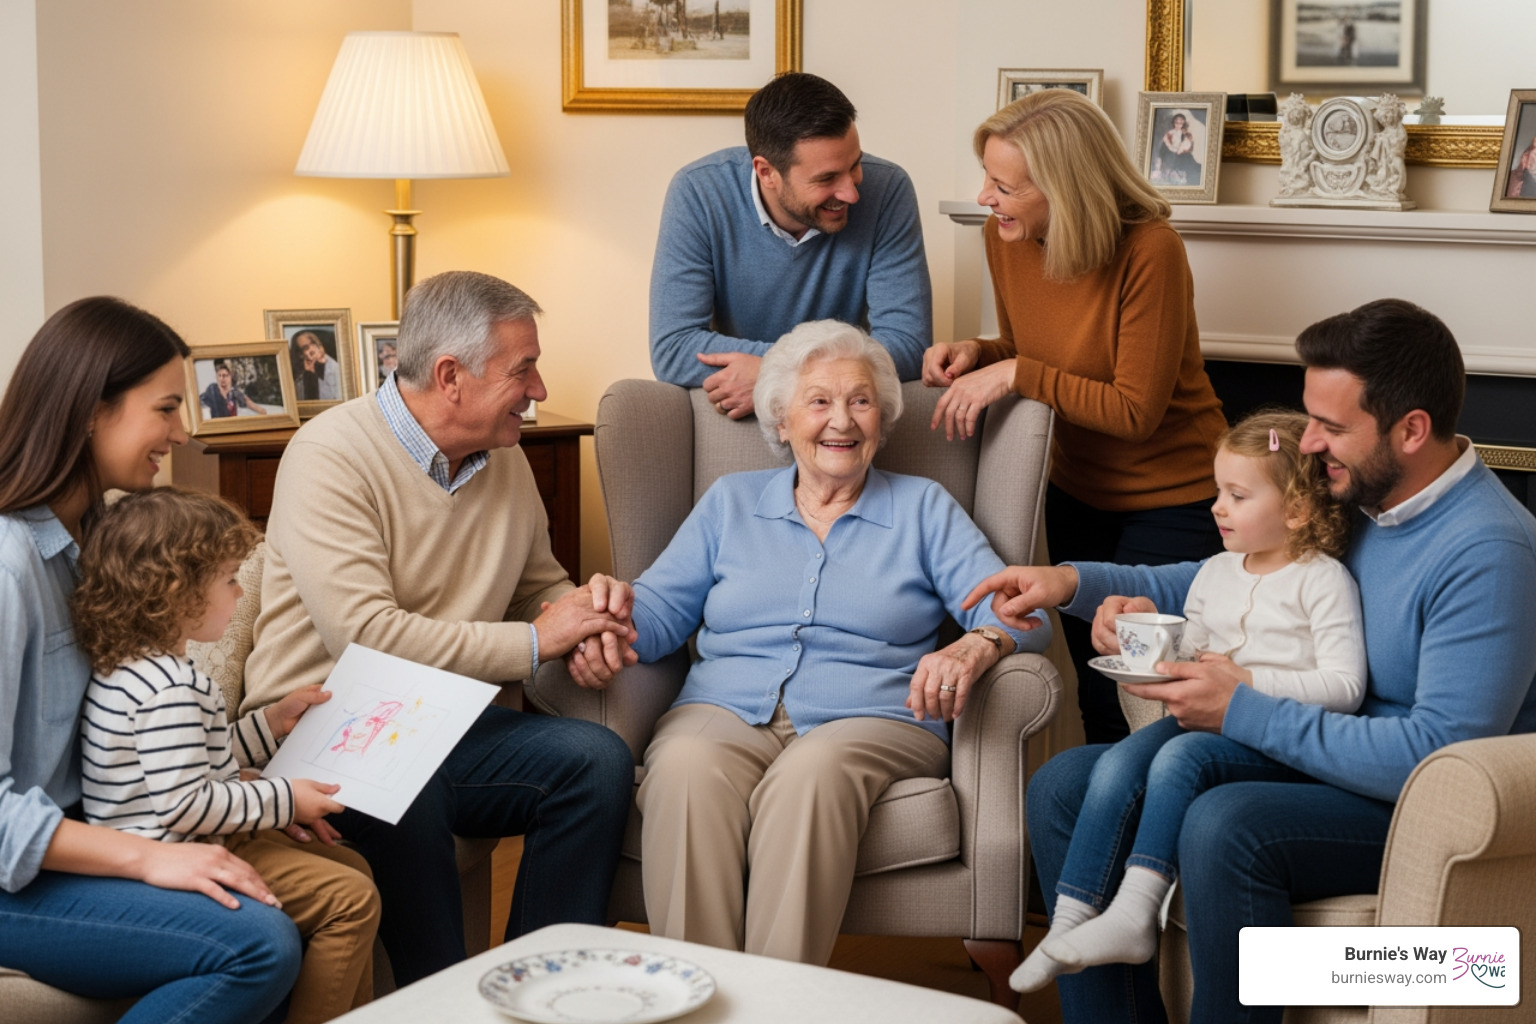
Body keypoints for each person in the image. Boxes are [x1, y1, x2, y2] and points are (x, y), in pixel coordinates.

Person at [966, 299, 1536, 1023]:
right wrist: (1073, 584)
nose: (1308, 446)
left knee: (1224, 823)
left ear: (1411, 430)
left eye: (1331, 428)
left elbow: (1439, 752)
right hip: (1315, 751)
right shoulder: (1363, 491)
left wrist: (1243, 708)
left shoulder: (1486, 550)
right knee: (1063, 786)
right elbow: (1233, 572)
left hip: (1412, 799)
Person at [241, 271, 636, 986]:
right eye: (524, 370)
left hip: (445, 722)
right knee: (404, 783)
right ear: (450, 376)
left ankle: (538, 989)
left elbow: (536, 588)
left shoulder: (507, 459)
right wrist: (537, 642)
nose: (540, 389)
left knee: (597, 761)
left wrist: (585, 618)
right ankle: (441, 1001)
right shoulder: (329, 453)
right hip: (325, 723)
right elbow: (367, 638)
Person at [621, 320, 1052, 967]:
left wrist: (978, 643)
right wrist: (597, 617)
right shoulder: (730, 503)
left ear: (882, 417)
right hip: (724, 707)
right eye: (819, 401)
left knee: (809, 777)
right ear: (781, 416)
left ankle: (778, 1011)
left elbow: (1024, 613)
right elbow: (655, 613)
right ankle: (699, 998)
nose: (840, 421)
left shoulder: (922, 508)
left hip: (871, 718)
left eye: (860, 400)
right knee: (683, 769)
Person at [0, 296, 301, 1022]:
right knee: (257, 943)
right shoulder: (10, 565)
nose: (182, 431)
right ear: (88, 412)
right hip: (19, 882)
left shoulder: (96, 546)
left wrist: (238, 773)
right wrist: (149, 859)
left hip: (92, 837)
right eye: (165, 408)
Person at [1008, 409, 1365, 995]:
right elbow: (1194, 644)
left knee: (1175, 762)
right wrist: (1149, 634)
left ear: (1297, 510)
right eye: (1218, 490)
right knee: (1117, 761)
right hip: (1207, 721)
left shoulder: (1321, 581)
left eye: (1238, 495)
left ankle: (1134, 911)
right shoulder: (1217, 573)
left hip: (1276, 738)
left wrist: (1248, 683)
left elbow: (1345, 687)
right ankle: (1070, 918)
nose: (1217, 507)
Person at [924, 88, 1227, 744]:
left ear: (1063, 189)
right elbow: (1039, 354)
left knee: (1154, 705)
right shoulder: (1004, 236)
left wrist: (1014, 371)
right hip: (1076, 493)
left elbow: (1133, 409)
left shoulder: (1151, 250)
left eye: (1002, 185)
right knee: (1097, 695)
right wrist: (980, 352)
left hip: (1175, 501)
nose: (984, 197)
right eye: (986, 177)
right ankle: (1110, 845)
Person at [74, 487, 380, 1024]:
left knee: (352, 866)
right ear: (175, 592)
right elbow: (185, 803)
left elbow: (197, 756)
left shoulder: (138, 667)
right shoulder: (168, 686)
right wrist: (285, 799)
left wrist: (270, 723)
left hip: (188, 835)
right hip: (175, 849)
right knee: (351, 898)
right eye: (230, 580)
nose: (240, 594)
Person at [650, 71, 932, 419]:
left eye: (855, 165)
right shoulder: (698, 193)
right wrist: (801, 370)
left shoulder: (889, 189)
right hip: (740, 416)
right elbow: (673, 347)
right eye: (827, 178)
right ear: (766, 172)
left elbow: (909, 345)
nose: (851, 192)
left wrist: (773, 373)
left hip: (842, 417)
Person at [202, 360, 267, 418]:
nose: (221, 379)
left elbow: (246, 401)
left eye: (224, 376)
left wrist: (260, 410)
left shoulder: (234, 392)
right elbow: (201, 401)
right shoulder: (212, 389)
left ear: (230, 377)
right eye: (219, 376)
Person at [292, 330, 341, 402]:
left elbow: (333, 400)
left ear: (318, 345)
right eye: (302, 350)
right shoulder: (303, 375)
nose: (306, 353)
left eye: (307, 347)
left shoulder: (337, 369)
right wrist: (309, 374)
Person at [1152, 111, 1199, 186]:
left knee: (1189, 160)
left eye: (1180, 123)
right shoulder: (1169, 134)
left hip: (1182, 154)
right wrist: (1171, 150)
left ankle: (1186, 178)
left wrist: (1182, 149)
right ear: (1174, 123)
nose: (1178, 125)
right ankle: (1170, 175)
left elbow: (1190, 146)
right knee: (1170, 158)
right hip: (1170, 154)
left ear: (1183, 124)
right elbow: (1163, 149)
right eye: (1176, 123)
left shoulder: (1187, 134)